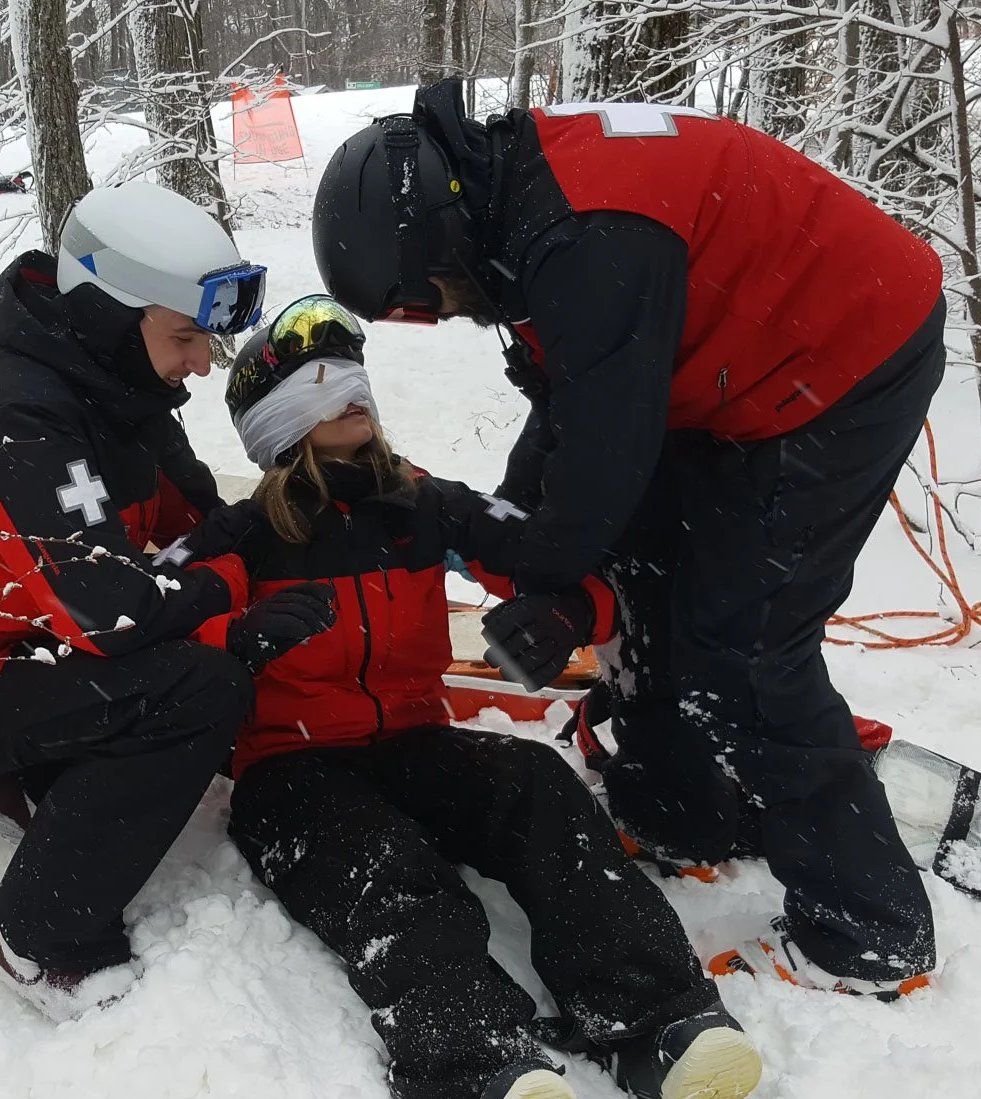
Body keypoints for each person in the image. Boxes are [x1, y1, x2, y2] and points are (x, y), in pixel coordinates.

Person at [310, 78, 946, 999]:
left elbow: (603, 460)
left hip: (841, 359)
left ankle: (867, 931)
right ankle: (683, 815)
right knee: (645, 576)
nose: (450, 314)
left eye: (437, 300)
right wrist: (525, 545)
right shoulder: (512, 204)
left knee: (749, 647)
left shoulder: (582, 238)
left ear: (439, 244)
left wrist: (542, 578)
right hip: (721, 361)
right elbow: (570, 419)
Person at [167, 295, 763, 1099]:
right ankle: (470, 1061)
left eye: (356, 383)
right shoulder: (244, 532)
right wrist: (236, 633)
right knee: (382, 860)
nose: (352, 397)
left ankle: (657, 1020)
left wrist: (566, 614)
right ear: (280, 421)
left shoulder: (424, 506)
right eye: (322, 385)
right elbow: (147, 613)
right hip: (288, 767)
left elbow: (547, 558)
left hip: (414, 737)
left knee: (536, 782)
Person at [0, 180, 335, 1021]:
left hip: (9, 638)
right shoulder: (24, 418)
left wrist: (276, 531)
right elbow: (112, 610)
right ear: (112, 313)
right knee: (201, 689)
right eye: (186, 336)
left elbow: (194, 526)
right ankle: (39, 935)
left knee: (187, 643)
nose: (203, 362)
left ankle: (32, 783)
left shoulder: (118, 388)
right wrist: (236, 621)